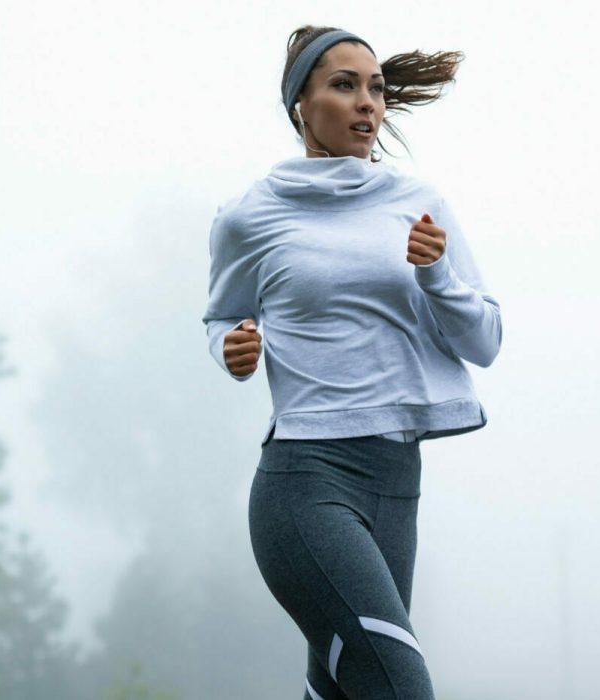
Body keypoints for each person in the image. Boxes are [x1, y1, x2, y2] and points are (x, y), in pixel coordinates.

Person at [200, 25, 501, 700]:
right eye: (344, 86)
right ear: (300, 105)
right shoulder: (248, 216)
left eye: (377, 89)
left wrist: (438, 276)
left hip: (397, 484)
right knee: (398, 688)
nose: (367, 104)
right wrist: (231, 348)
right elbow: (222, 315)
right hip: (305, 484)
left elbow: (484, 341)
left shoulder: (415, 203)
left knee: (342, 692)